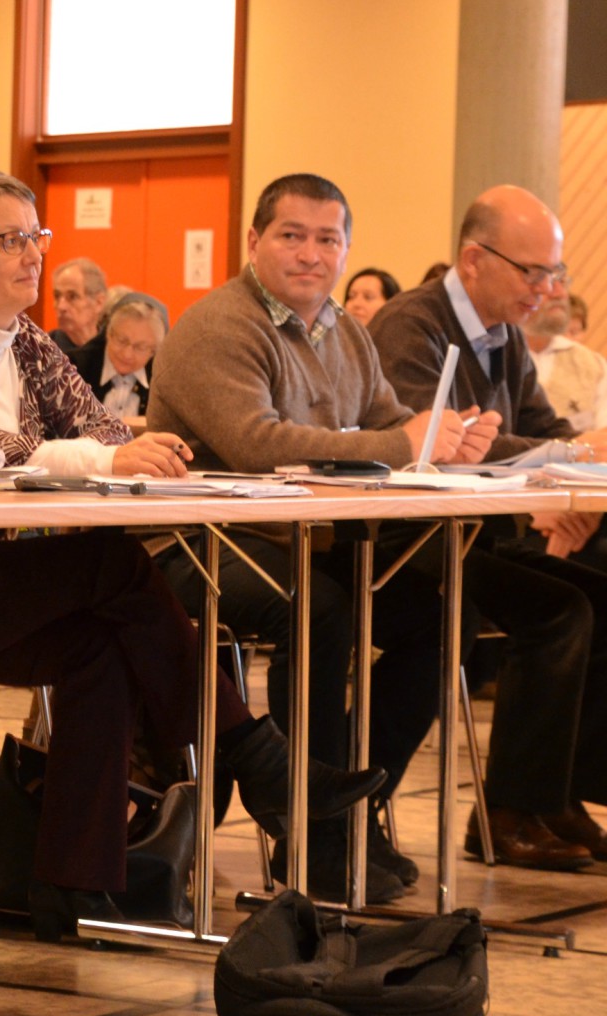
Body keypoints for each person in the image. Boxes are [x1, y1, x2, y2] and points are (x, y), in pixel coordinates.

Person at [0, 167, 383, 938]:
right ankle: (256, 755)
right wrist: (104, 457)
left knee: (100, 646)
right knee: (108, 566)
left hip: (15, 581)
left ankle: (71, 890)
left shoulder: (28, 342)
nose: (32, 255)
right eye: (9, 240)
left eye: (37, 236)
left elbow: (100, 431)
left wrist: (135, 449)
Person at [148, 173, 498, 898]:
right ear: (254, 241)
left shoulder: (343, 330)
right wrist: (406, 441)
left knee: (440, 619)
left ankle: (348, 813)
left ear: (346, 249)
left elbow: (385, 419)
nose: (312, 254)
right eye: (292, 235)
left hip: (302, 538)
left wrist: (446, 440)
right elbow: (255, 442)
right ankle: (310, 832)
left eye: (328, 239)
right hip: (193, 542)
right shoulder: (218, 326)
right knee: (325, 607)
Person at [368, 184, 607, 869]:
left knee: (597, 593)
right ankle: (504, 811)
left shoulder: (502, 336)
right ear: (473, 260)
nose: (547, 289)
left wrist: (580, 461)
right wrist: (575, 454)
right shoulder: (412, 326)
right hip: (407, 544)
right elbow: (433, 447)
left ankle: (553, 793)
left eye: (554, 273)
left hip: (479, 535)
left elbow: (541, 429)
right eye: (533, 271)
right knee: (560, 612)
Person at [70, 292, 167, 420]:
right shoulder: (73, 368)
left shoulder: (163, 383)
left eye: (140, 347)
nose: (127, 354)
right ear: (108, 334)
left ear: (153, 351)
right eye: (122, 340)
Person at [526, 295, 607, 431]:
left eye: (576, 331)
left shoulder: (592, 362)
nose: (557, 293)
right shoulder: (506, 353)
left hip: (582, 448)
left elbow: (603, 421)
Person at [49, 256, 107, 353]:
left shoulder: (113, 352)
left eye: (72, 297)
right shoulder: (42, 350)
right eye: (57, 296)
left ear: (98, 303)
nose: (61, 306)